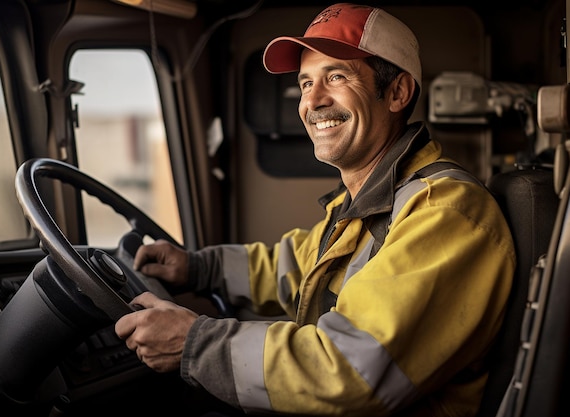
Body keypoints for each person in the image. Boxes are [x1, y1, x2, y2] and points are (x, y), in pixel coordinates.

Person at [115, 3, 516, 416]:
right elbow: (291, 267)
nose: (313, 101)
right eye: (306, 83)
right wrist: (200, 267)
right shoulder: (365, 202)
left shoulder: (445, 213)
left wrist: (195, 344)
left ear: (397, 93)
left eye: (337, 76)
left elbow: (349, 371)